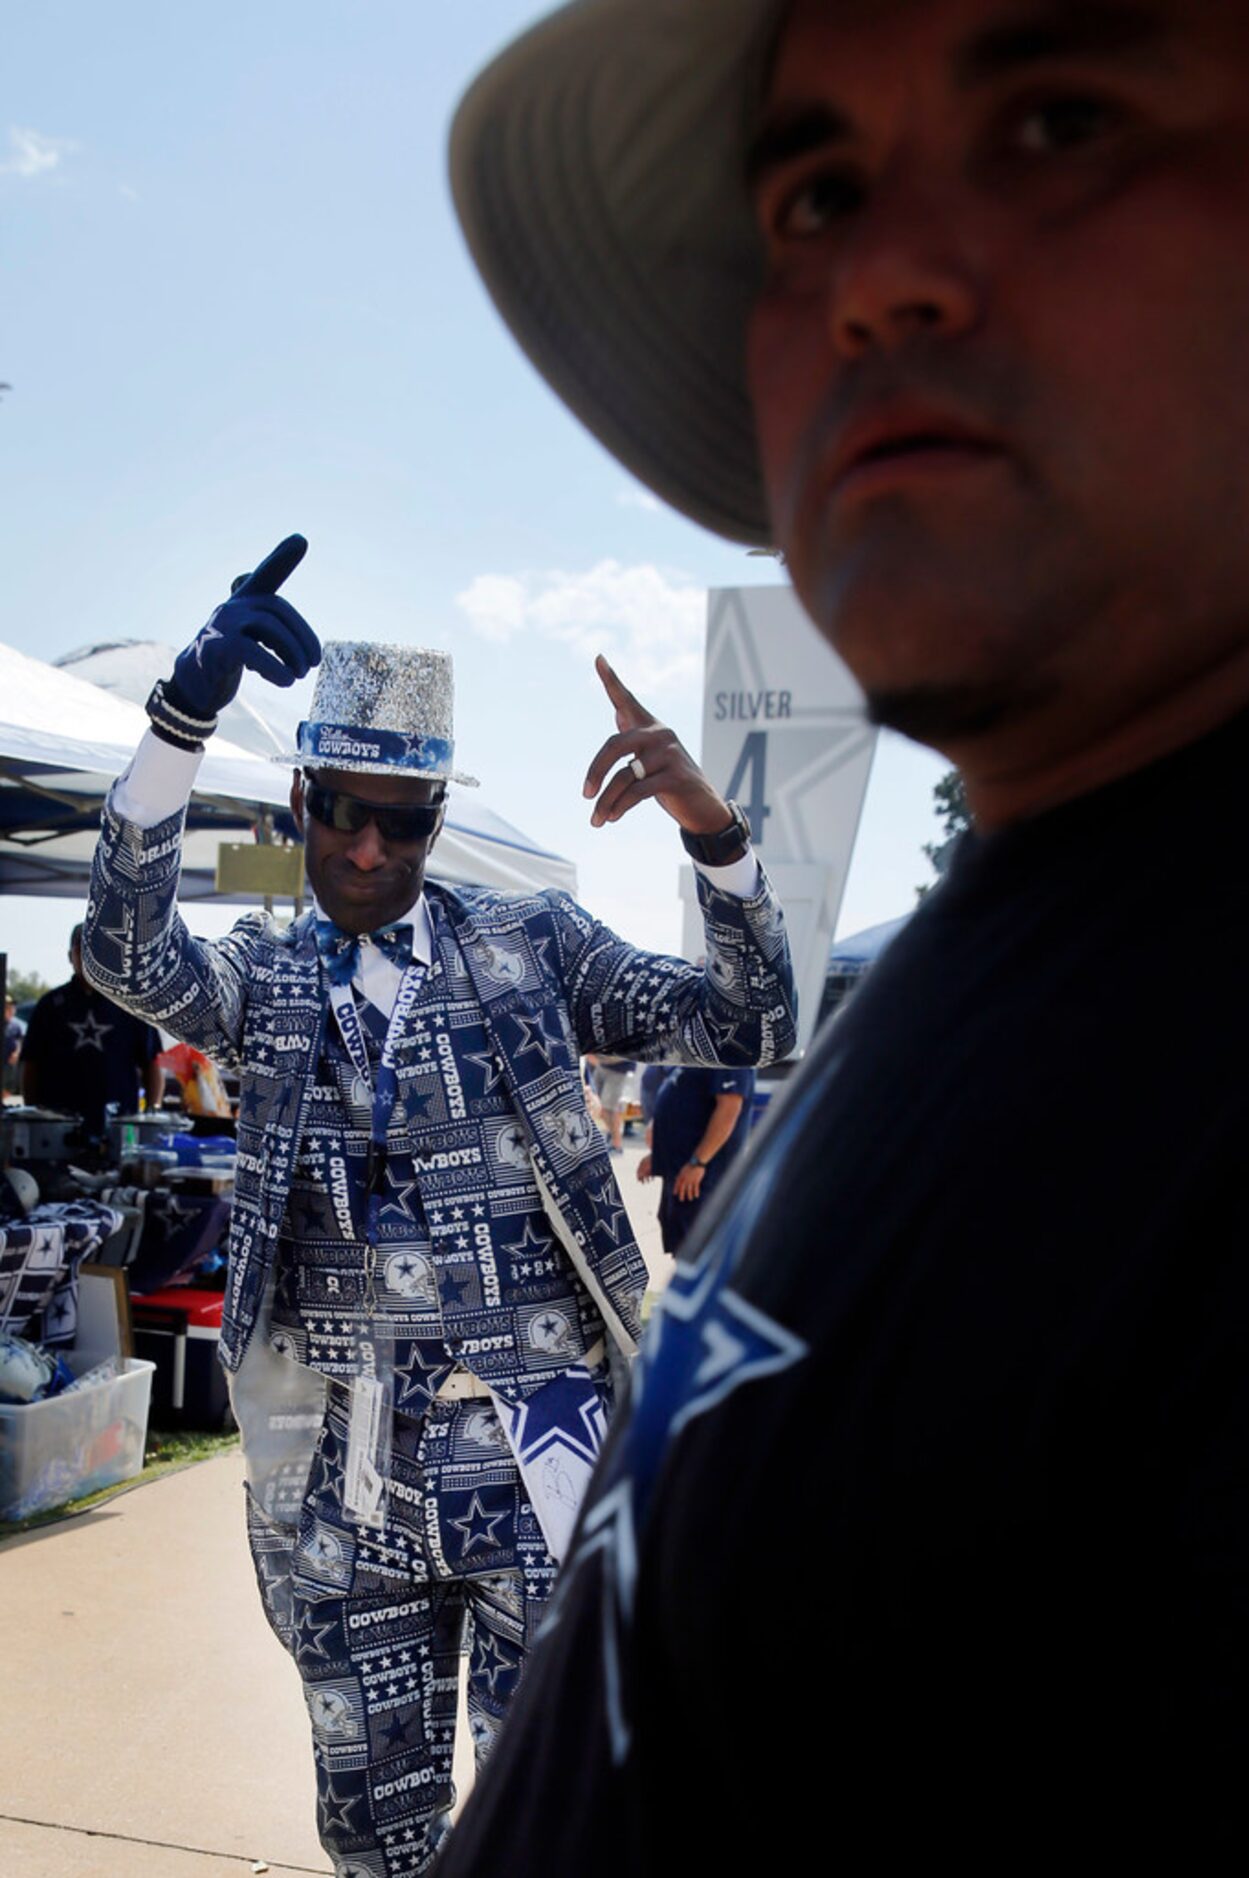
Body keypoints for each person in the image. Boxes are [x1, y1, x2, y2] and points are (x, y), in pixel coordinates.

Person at [439, 0, 1249, 1861]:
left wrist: (713, 833)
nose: (872, 273)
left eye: (1059, 119)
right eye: (807, 196)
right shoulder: (1037, 916)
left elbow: (723, 1002)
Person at [82, 539, 795, 1876]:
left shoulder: (531, 943)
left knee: (562, 1821)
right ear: (299, 802)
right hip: (345, 1478)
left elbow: (746, 1017)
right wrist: (177, 727)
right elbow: (127, 954)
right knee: (376, 1836)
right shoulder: (269, 971)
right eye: (342, 810)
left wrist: (717, 837)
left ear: (432, 814)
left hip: (543, 1445)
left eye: (401, 818)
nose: (366, 844)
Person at [19, 924, 162, 1137]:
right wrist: (36, 1118)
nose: (87, 956)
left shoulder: (130, 1004)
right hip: (59, 1129)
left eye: (95, 948)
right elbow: (30, 1063)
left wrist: (151, 1114)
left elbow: (152, 1063)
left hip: (118, 1127)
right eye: (81, 948)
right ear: (70, 956)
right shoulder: (50, 1005)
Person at [637, 1063, 754, 1260]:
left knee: (700, 1250)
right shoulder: (702, 1053)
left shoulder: (730, 1054)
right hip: (682, 1172)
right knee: (683, 1246)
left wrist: (698, 1162)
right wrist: (658, 1155)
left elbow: (729, 1109)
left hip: (703, 1177)